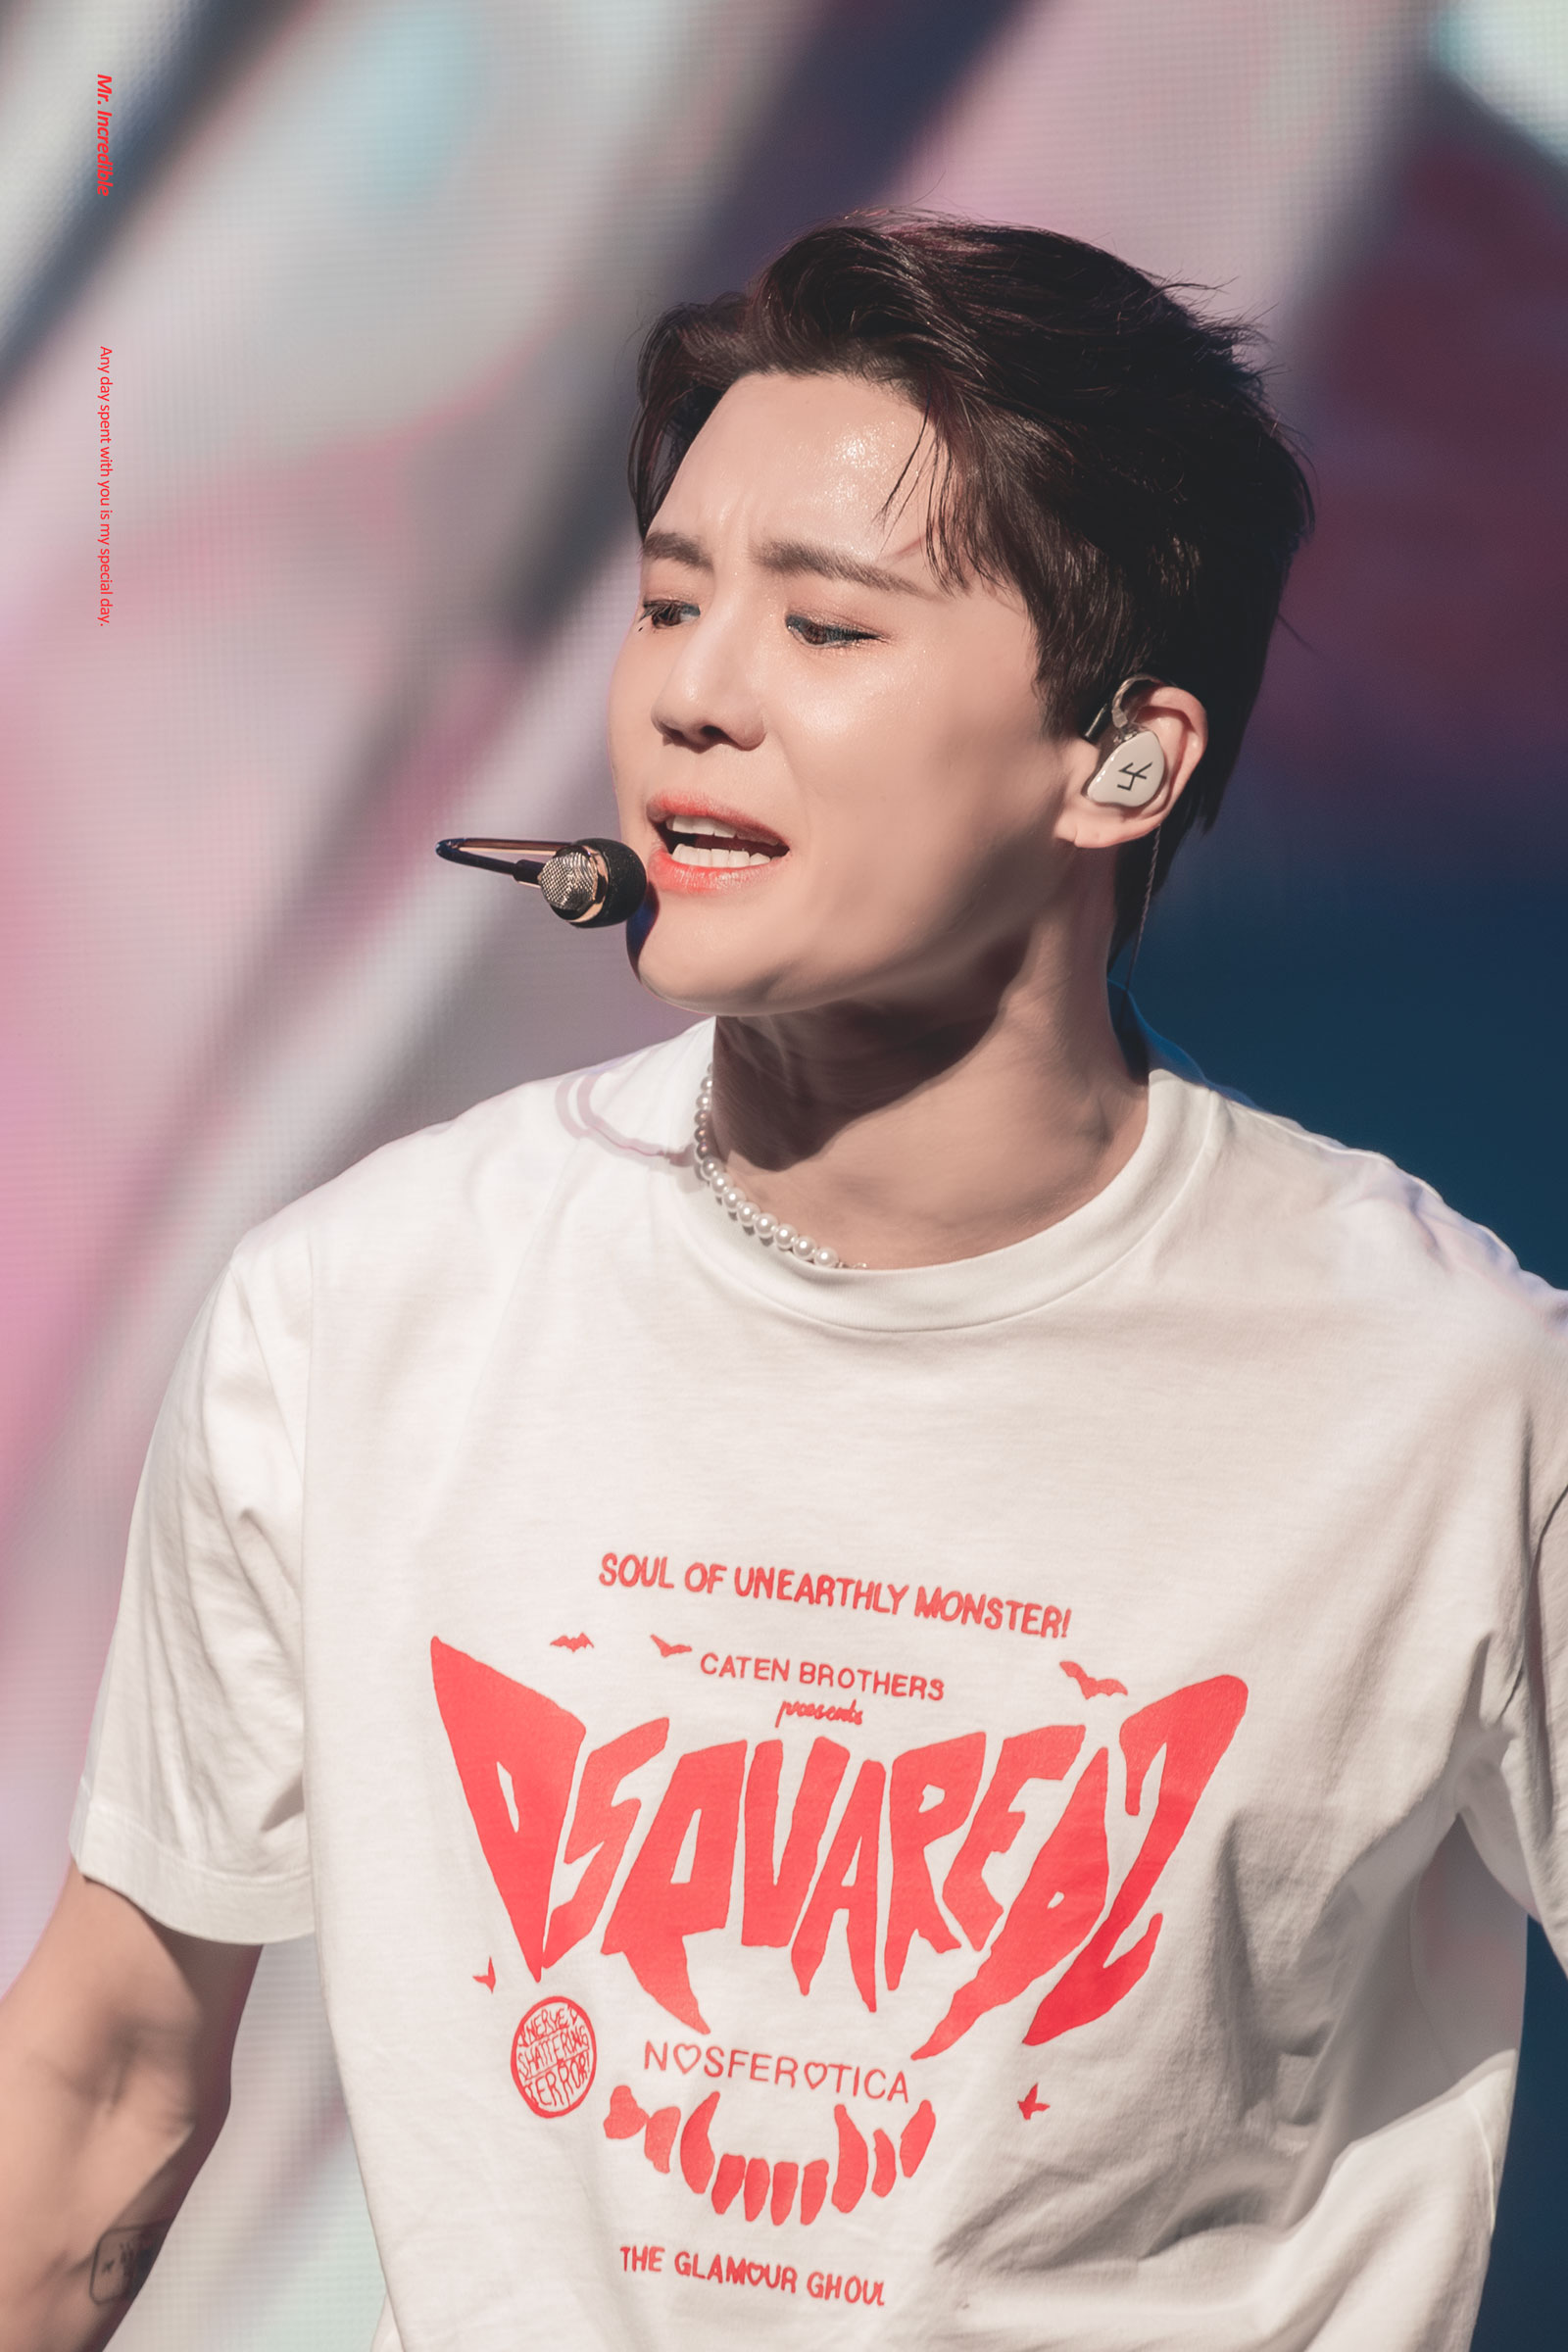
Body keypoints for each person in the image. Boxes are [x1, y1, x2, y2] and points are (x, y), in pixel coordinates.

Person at [1, 215, 1563, 2352]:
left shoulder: (1446, 1393)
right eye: (668, 603)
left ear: (1122, 758)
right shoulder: (361, 1306)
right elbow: (105, 2080)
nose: (693, 695)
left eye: (825, 626)